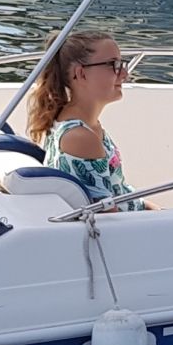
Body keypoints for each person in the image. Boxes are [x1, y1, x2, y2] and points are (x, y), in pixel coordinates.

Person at [23, 30, 147, 211]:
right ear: (80, 74)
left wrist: (158, 212)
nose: (124, 74)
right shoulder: (80, 137)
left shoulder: (84, 125)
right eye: (114, 64)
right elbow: (109, 217)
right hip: (129, 231)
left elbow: (120, 193)